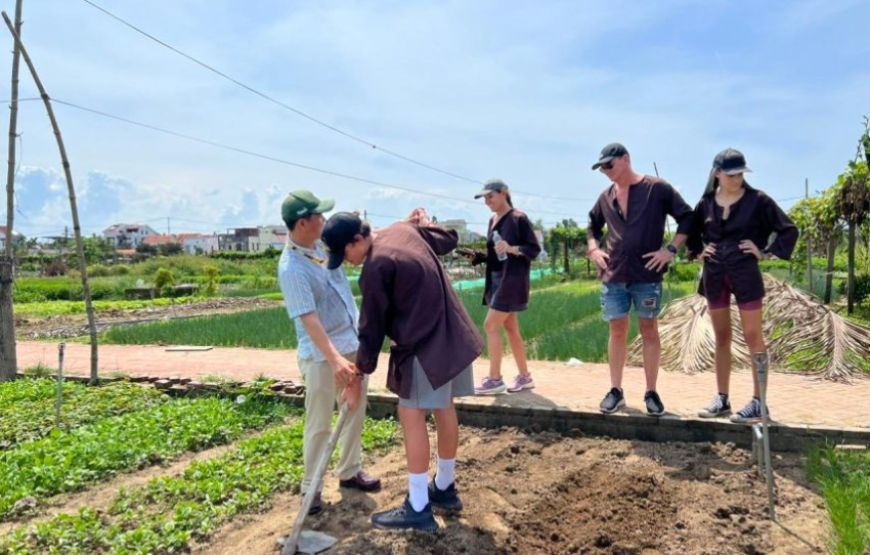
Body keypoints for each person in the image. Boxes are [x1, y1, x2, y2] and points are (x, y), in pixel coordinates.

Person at [322, 210, 483, 532]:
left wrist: (356, 377)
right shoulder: (402, 231)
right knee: (444, 407)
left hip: (426, 344)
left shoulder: (376, 265)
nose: (348, 261)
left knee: (411, 414)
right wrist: (423, 224)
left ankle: (419, 506)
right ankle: (445, 487)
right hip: (453, 332)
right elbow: (448, 239)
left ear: (357, 240)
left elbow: (371, 328)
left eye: (346, 253)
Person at [277, 190, 381, 517]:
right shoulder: (292, 267)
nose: (324, 220)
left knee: (353, 410)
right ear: (303, 222)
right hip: (322, 356)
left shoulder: (322, 247)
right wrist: (335, 360)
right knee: (319, 422)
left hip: (350, 342)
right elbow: (309, 320)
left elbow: (362, 238)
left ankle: (350, 471)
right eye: (319, 216)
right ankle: (311, 487)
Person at [687, 149, 798, 422]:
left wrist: (765, 252)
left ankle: (759, 402)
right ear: (717, 174)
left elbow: (789, 229)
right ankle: (722, 399)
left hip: (745, 272)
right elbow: (690, 232)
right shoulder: (705, 204)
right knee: (722, 337)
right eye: (732, 174)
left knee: (752, 336)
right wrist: (698, 251)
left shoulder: (757, 200)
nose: (737, 178)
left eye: (741, 174)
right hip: (714, 275)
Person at [587, 143, 694, 416]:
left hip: (646, 274)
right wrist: (593, 248)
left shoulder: (656, 189)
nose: (606, 172)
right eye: (602, 168)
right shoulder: (605, 196)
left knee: (649, 330)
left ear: (626, 159)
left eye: (609, 165)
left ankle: (651, 392)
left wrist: (670, 250)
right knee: (617, 331)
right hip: (614, 276)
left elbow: (687, 218)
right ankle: (615, 391)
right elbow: (592, 225)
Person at [461, 179, 541, 395]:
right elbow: (497, 254)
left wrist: (513, 248)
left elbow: (533, 249)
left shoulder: (518, 218)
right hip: (496, 280)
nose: (487, 201)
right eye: (484, 198)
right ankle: (525, 377)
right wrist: (478, 256)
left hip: (512, 281)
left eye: (490, 196)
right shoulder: (492, 220)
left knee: (490, 326)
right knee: (511, 328)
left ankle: (495, 379)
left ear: (504, 193)